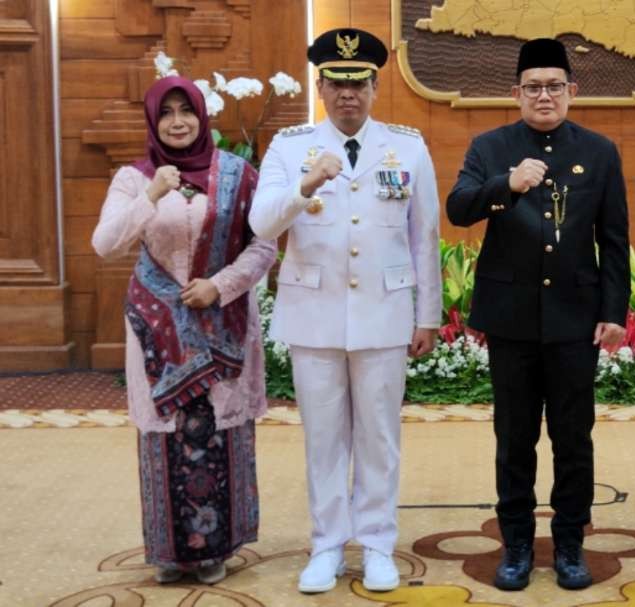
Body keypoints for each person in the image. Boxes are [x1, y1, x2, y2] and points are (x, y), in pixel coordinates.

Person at [249, 28, 441, 594]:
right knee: (324, 437)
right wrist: (305, 182)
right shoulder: (290, 146)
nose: (347, 94)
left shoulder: (406, 146)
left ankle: (378, 543)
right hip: (314, 315)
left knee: (380, 436)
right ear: (320, 85)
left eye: (358, 83)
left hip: (383, 313)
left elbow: (423, 234)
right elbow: (262, 225)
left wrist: (425, 314)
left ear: (376, 86)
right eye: (337, 83)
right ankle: (328, 545)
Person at [446, 38, 630, 591]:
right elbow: (458, 209)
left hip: (575, 319)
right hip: (511, 320)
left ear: (572, 91)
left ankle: (571, 543)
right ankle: (518, 544)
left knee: (575, 437)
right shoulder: (490, 146)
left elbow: (614, 240)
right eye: (533, 87)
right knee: (515, 437)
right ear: (516, 93)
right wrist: (506, 185)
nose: (543, 96)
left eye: (554, 86)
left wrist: (613, 311)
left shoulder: (599, 151)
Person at [91, 76, 275, 586]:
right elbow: (105, 243)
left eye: (186, 110)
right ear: (153, 120)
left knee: (220, 430)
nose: (177, 121)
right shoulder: (134, 178)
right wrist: (151, 193)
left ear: (201, 115)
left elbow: (263, 247)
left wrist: (219, 286)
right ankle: (171, 552)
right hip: (160, 332)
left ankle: (216, 549)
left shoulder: (239, 173)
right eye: (166, 112)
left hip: (222, 323)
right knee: (166, 436)